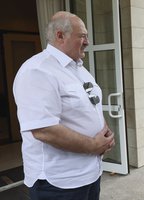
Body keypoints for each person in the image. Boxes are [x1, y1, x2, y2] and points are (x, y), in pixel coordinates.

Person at [13, 11, 115, 200]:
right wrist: (94, 145)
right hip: (59, 184)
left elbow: (91, 105)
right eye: (82, 36)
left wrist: (105, 134)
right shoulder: (37, 70)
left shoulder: (79, 69)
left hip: (90, 175)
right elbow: (44, 130)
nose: (87, 42)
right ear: (60, 35)